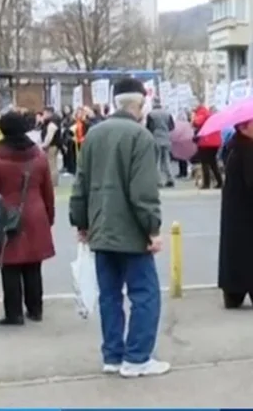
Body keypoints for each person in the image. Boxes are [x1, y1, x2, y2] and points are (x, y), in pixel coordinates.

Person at [69, 78, 169, 378]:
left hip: (100, 228)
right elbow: (143, 192)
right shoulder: (140, 137)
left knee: (109, 295)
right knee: (145, 294)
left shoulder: (94, 135)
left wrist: (81, 222)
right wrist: (152, 229)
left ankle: (112, 355)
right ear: (139, 103)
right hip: (131, 232)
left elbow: (80, 183)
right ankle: (137, 357)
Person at [0, 110, 56, 325]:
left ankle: (13, 313)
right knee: (33, 264)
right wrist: (49, 216)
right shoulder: (38, 155)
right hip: (36, 211)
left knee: (10, 264)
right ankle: (35, 309)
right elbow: (47, 190)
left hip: (7, 214)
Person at [217, 118, 253, 309]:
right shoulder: (250, 149)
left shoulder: (233, 147)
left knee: (234, 253)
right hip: (251, 213)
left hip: (234, 211)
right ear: (243, 128)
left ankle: (233, 294)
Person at [192, 105, 223, 189]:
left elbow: (196, 123)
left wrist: (193, 118)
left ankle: (206, 183)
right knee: (213, 163)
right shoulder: (212, 116)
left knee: (204, 163)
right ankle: (220, 181)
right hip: (216, 142)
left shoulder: (202, 114)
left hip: (206, 142)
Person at [146, 105, 175, 188]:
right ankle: (170, 179)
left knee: (157, 160)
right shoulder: (168, 114)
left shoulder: (151, 114)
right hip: (166, 138)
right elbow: (172, 127)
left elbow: (149, 127)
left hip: (156, 138)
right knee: (166, 160)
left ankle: (158, 181)